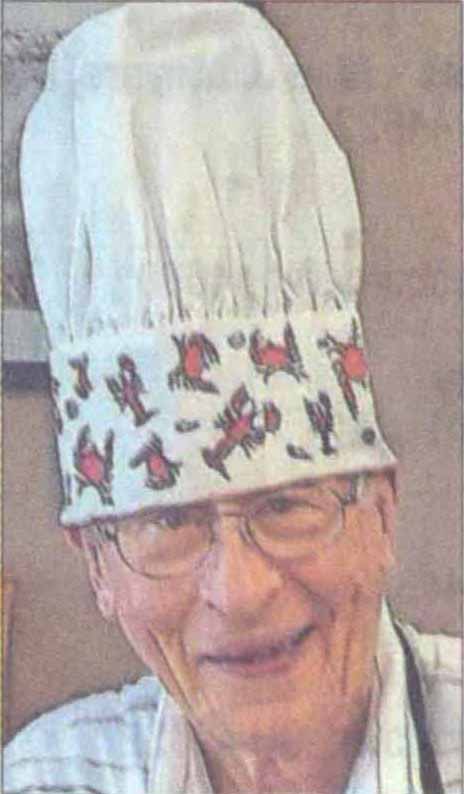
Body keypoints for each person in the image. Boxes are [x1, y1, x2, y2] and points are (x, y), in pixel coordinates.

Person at [4, 3, 460, 793]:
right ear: (97, 565)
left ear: (381, 514)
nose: (239, 592)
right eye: (168, 522)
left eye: (285, 505)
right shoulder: (43, 778)